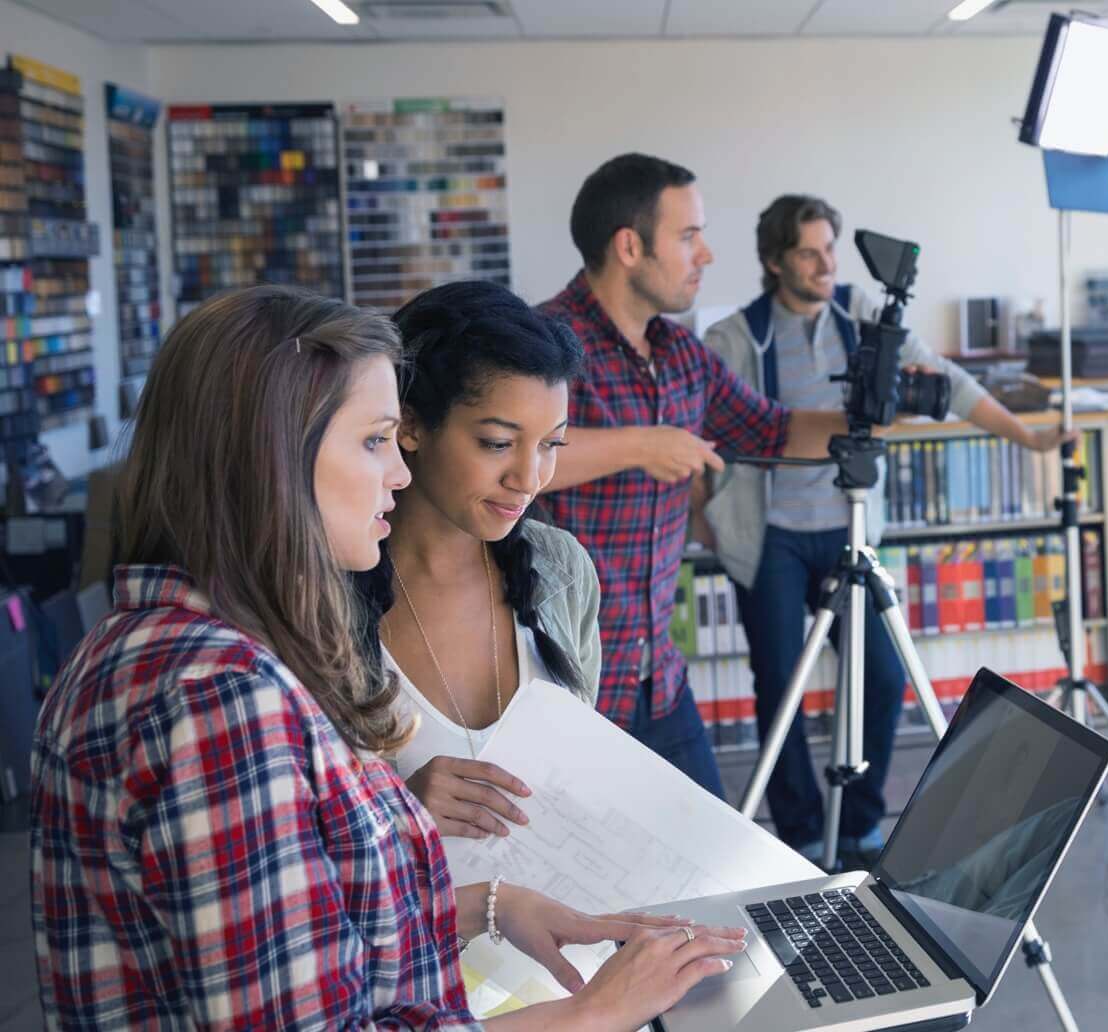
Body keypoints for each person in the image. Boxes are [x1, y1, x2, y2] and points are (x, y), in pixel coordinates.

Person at [31, 285, 745, 1029]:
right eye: (375, 440)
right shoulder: (219, 698)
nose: (397, 473)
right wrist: (602, 1011)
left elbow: (318, 929)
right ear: (271, 453)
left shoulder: (170, 650)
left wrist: (487, 909)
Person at [697, 194, 1065, 866]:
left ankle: (862, 826)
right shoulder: (735, 338)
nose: (825, 264)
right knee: (778, 685)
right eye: (808, 252)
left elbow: (945, 381)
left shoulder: (864, 315)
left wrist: (1029, 440)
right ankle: (806, 834)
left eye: (829, 249)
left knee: (882, 679)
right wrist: (708, 526)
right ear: (775, 261)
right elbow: (697, 432)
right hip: (771, 534)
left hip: (851, 527)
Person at [535, 153, 852, 798]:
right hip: (565, 683)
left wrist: (867, 413)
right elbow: (508, 463)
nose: (705, 254)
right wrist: (642, 445)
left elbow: (772, 430)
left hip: (660, 680)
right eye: (689, 235)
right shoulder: (540, 341)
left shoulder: (682, 354)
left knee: (717, 880)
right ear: (630, 246)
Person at [347, 280, 602, 841]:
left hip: (555, 926)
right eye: (496, 443)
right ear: (408, 426)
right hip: (406, 927)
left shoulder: (561, 570)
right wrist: (399, 813)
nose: (529, 479)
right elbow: (285, 841)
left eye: (550, 445)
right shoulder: (321, 596)